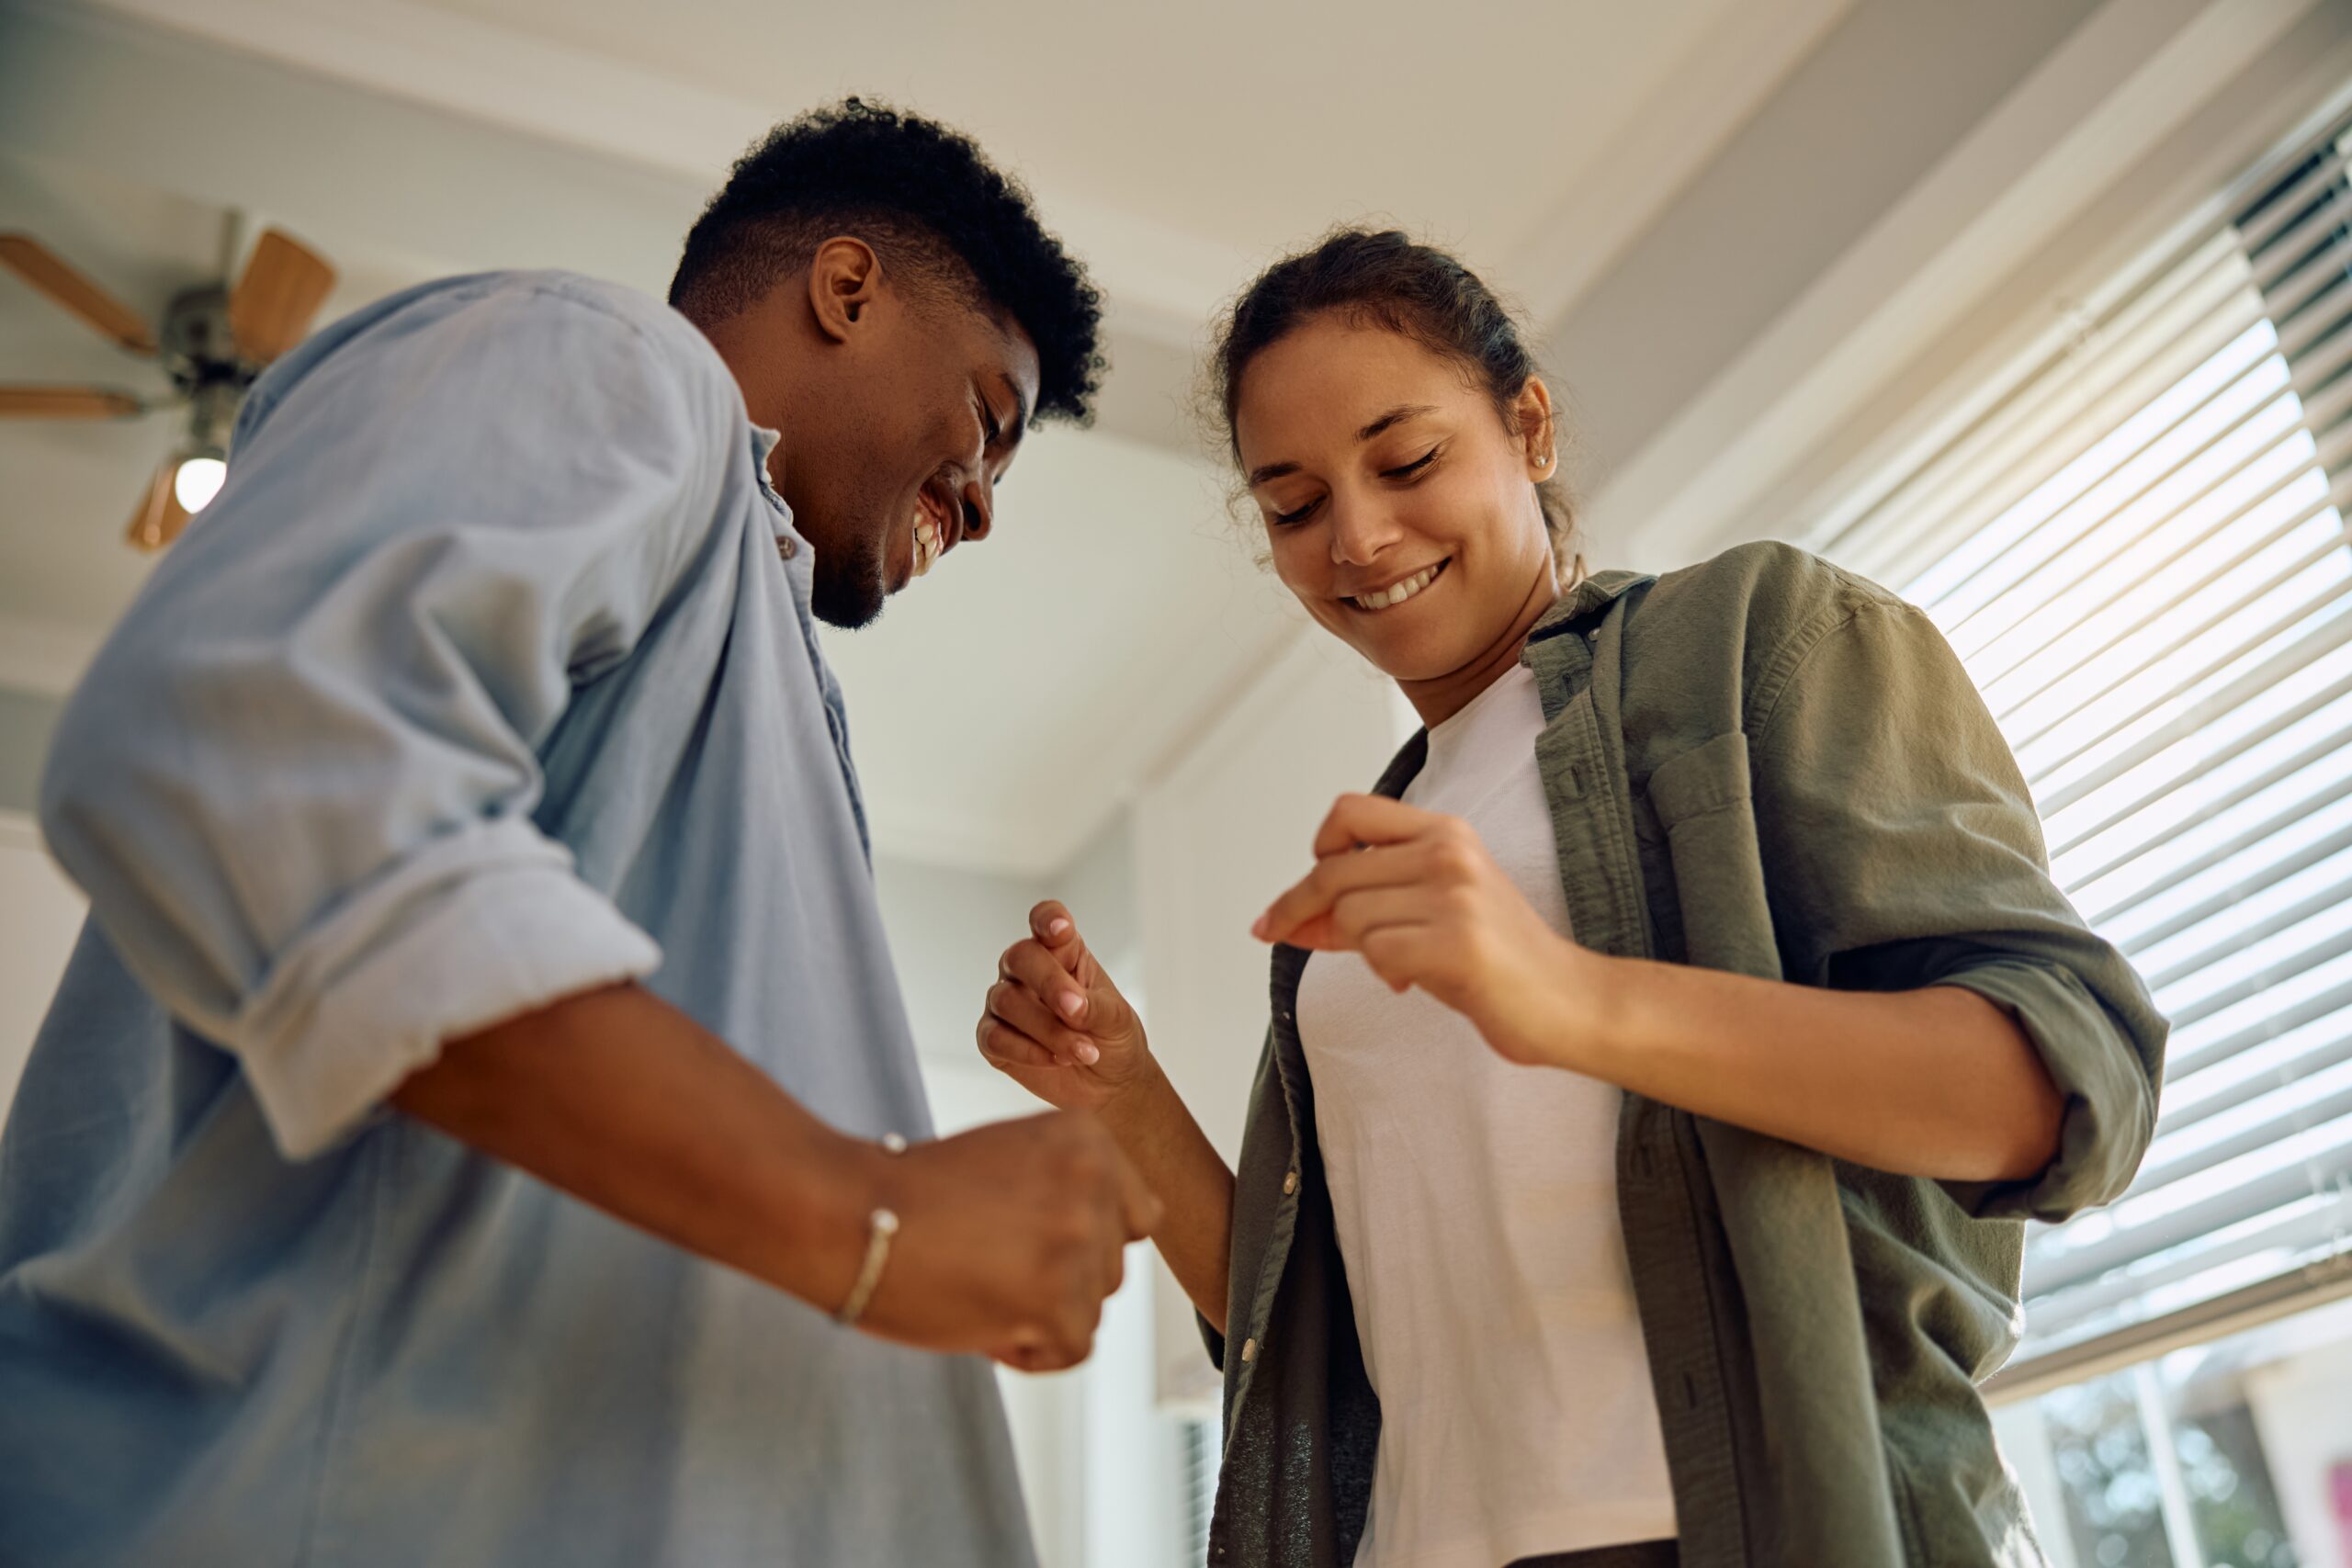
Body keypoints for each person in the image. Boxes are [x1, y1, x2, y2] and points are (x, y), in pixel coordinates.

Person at [0, 99, 1158, 1567]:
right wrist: (870, 1215)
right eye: (989, 421)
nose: (985, 508)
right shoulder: (605, 357)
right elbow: (246, 747)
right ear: (847, 289)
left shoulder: (770, 670)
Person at [978, 228, 2166, 1568]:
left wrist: (1567, 996)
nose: (1358, 536)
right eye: (1295, 504)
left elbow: (2063, 1088)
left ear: (1529, 426)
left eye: (1408, 459)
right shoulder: (1387, 853)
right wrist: (1121, 1092)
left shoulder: (1754, 643)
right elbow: (1309, 1321)